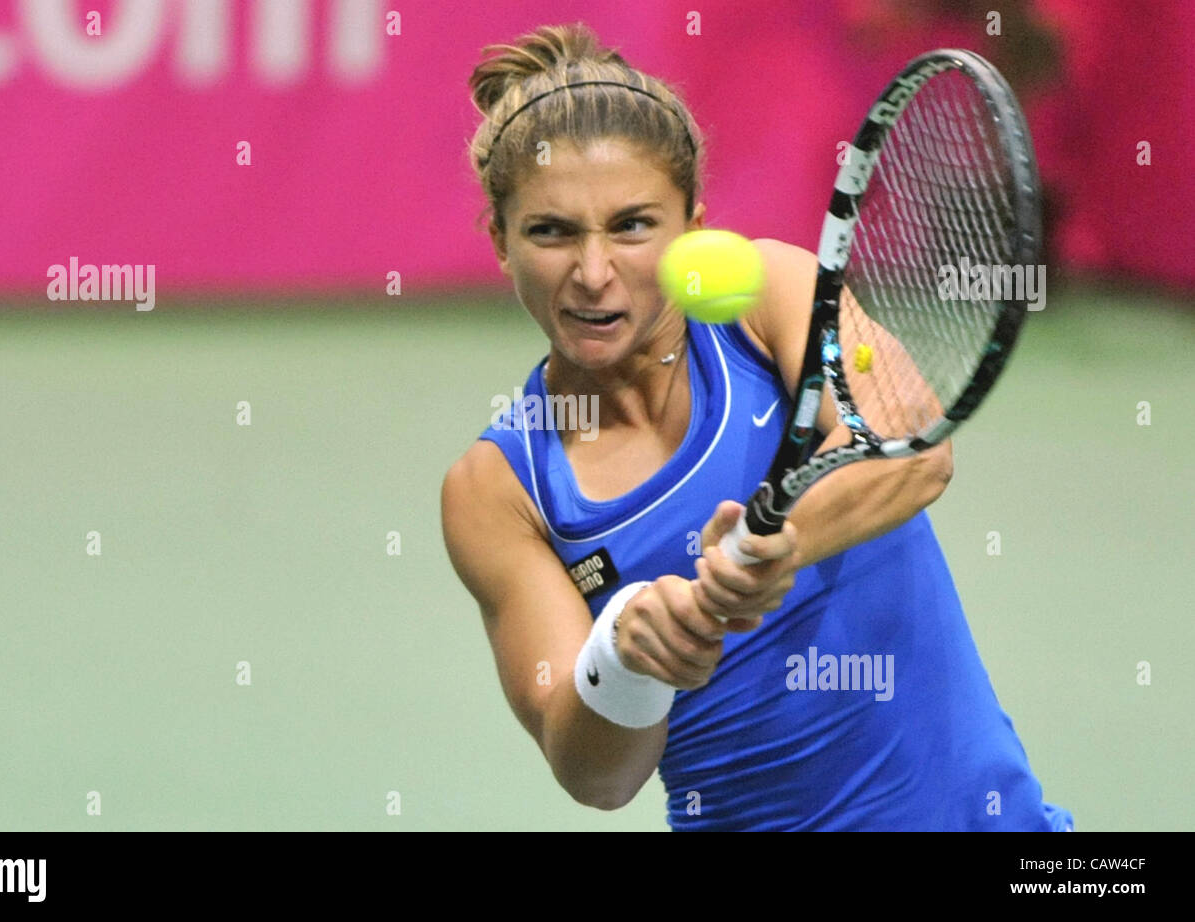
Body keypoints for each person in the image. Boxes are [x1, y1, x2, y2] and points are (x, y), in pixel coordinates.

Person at [441, 22, 1073, 831]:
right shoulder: (497, 490)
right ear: (500, 240)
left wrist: (779, 550)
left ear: (692, 230)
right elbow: (595, 777)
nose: (593, 274)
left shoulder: (768, 296)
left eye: (632, 225)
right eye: (551, 231)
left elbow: (914, 453)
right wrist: (627, 658)